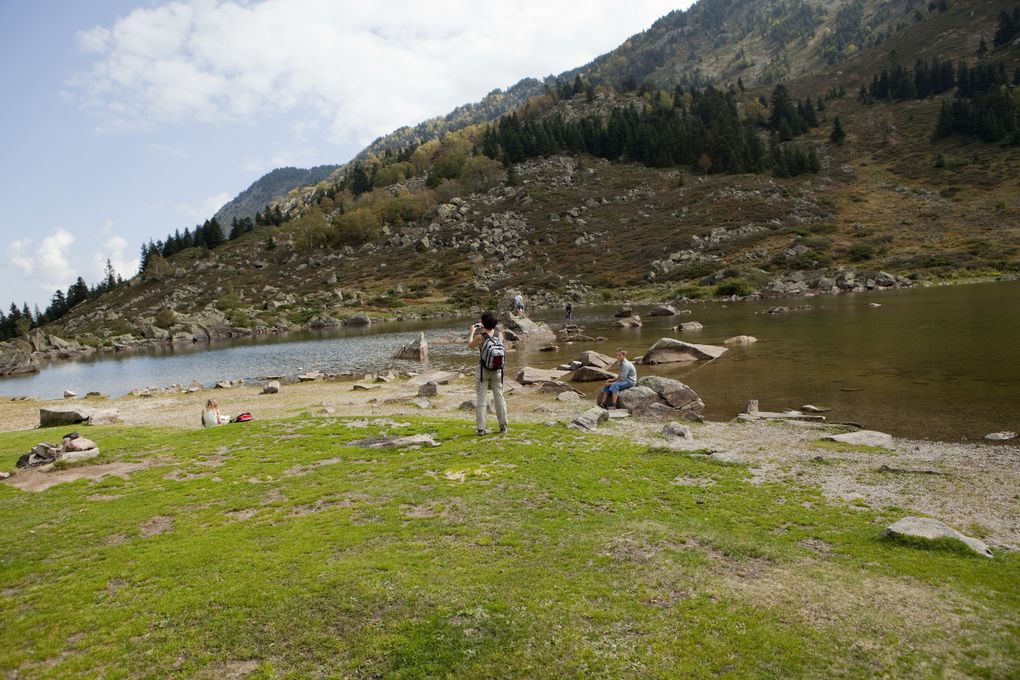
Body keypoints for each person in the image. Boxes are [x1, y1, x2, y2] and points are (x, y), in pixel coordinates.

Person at [468, 311, 508, 435]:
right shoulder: (499, 335)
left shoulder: (480, 336)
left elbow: (470, 346)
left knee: (481, 399)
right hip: (497, 370)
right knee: (499, 398)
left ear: (483, 323)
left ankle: (481, 428)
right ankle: (503, 426)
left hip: (483, 370)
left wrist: (472, 332)